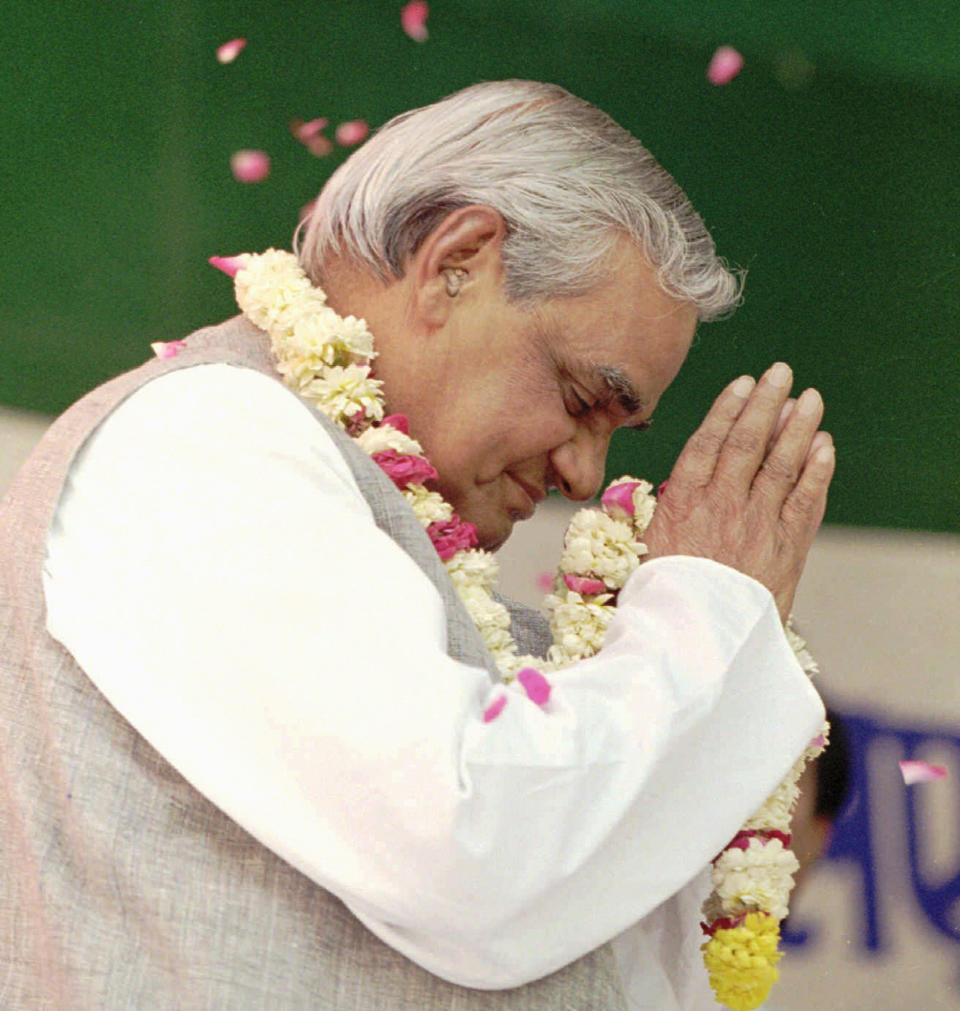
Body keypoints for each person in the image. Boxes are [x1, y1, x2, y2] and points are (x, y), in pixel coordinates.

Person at [0, 80, 835, 1010]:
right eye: (580, 397)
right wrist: (707, 608)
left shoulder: (372, 529)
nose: (585, 474)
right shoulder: (203, 437)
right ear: (458, 263)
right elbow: (469, 851)